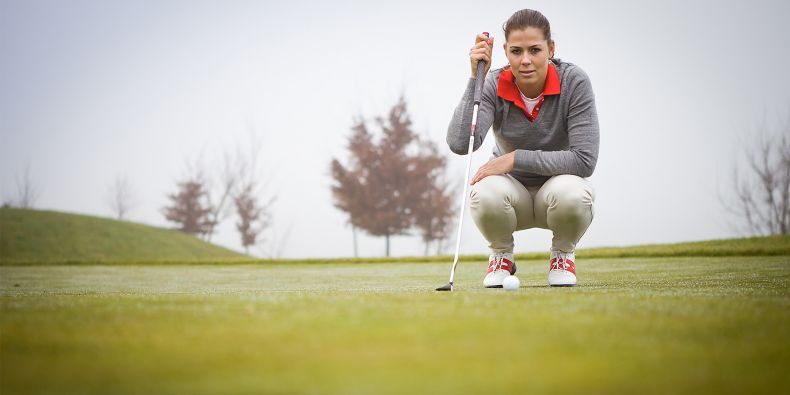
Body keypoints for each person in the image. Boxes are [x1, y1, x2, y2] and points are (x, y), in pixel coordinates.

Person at [446, 8, 599, 288]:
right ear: (505, 51)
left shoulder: (574, 82)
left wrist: (515, 159)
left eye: (535, 50)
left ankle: (562, 255)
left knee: (574, 193)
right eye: (516, 51)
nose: (525, 60)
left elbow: (584, 160)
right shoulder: (493, 83)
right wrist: (474, 80)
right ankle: (502, 256)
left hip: (556, 191)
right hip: (510, 197)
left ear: (551, 49)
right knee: (484, 191)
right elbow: (459, 143)